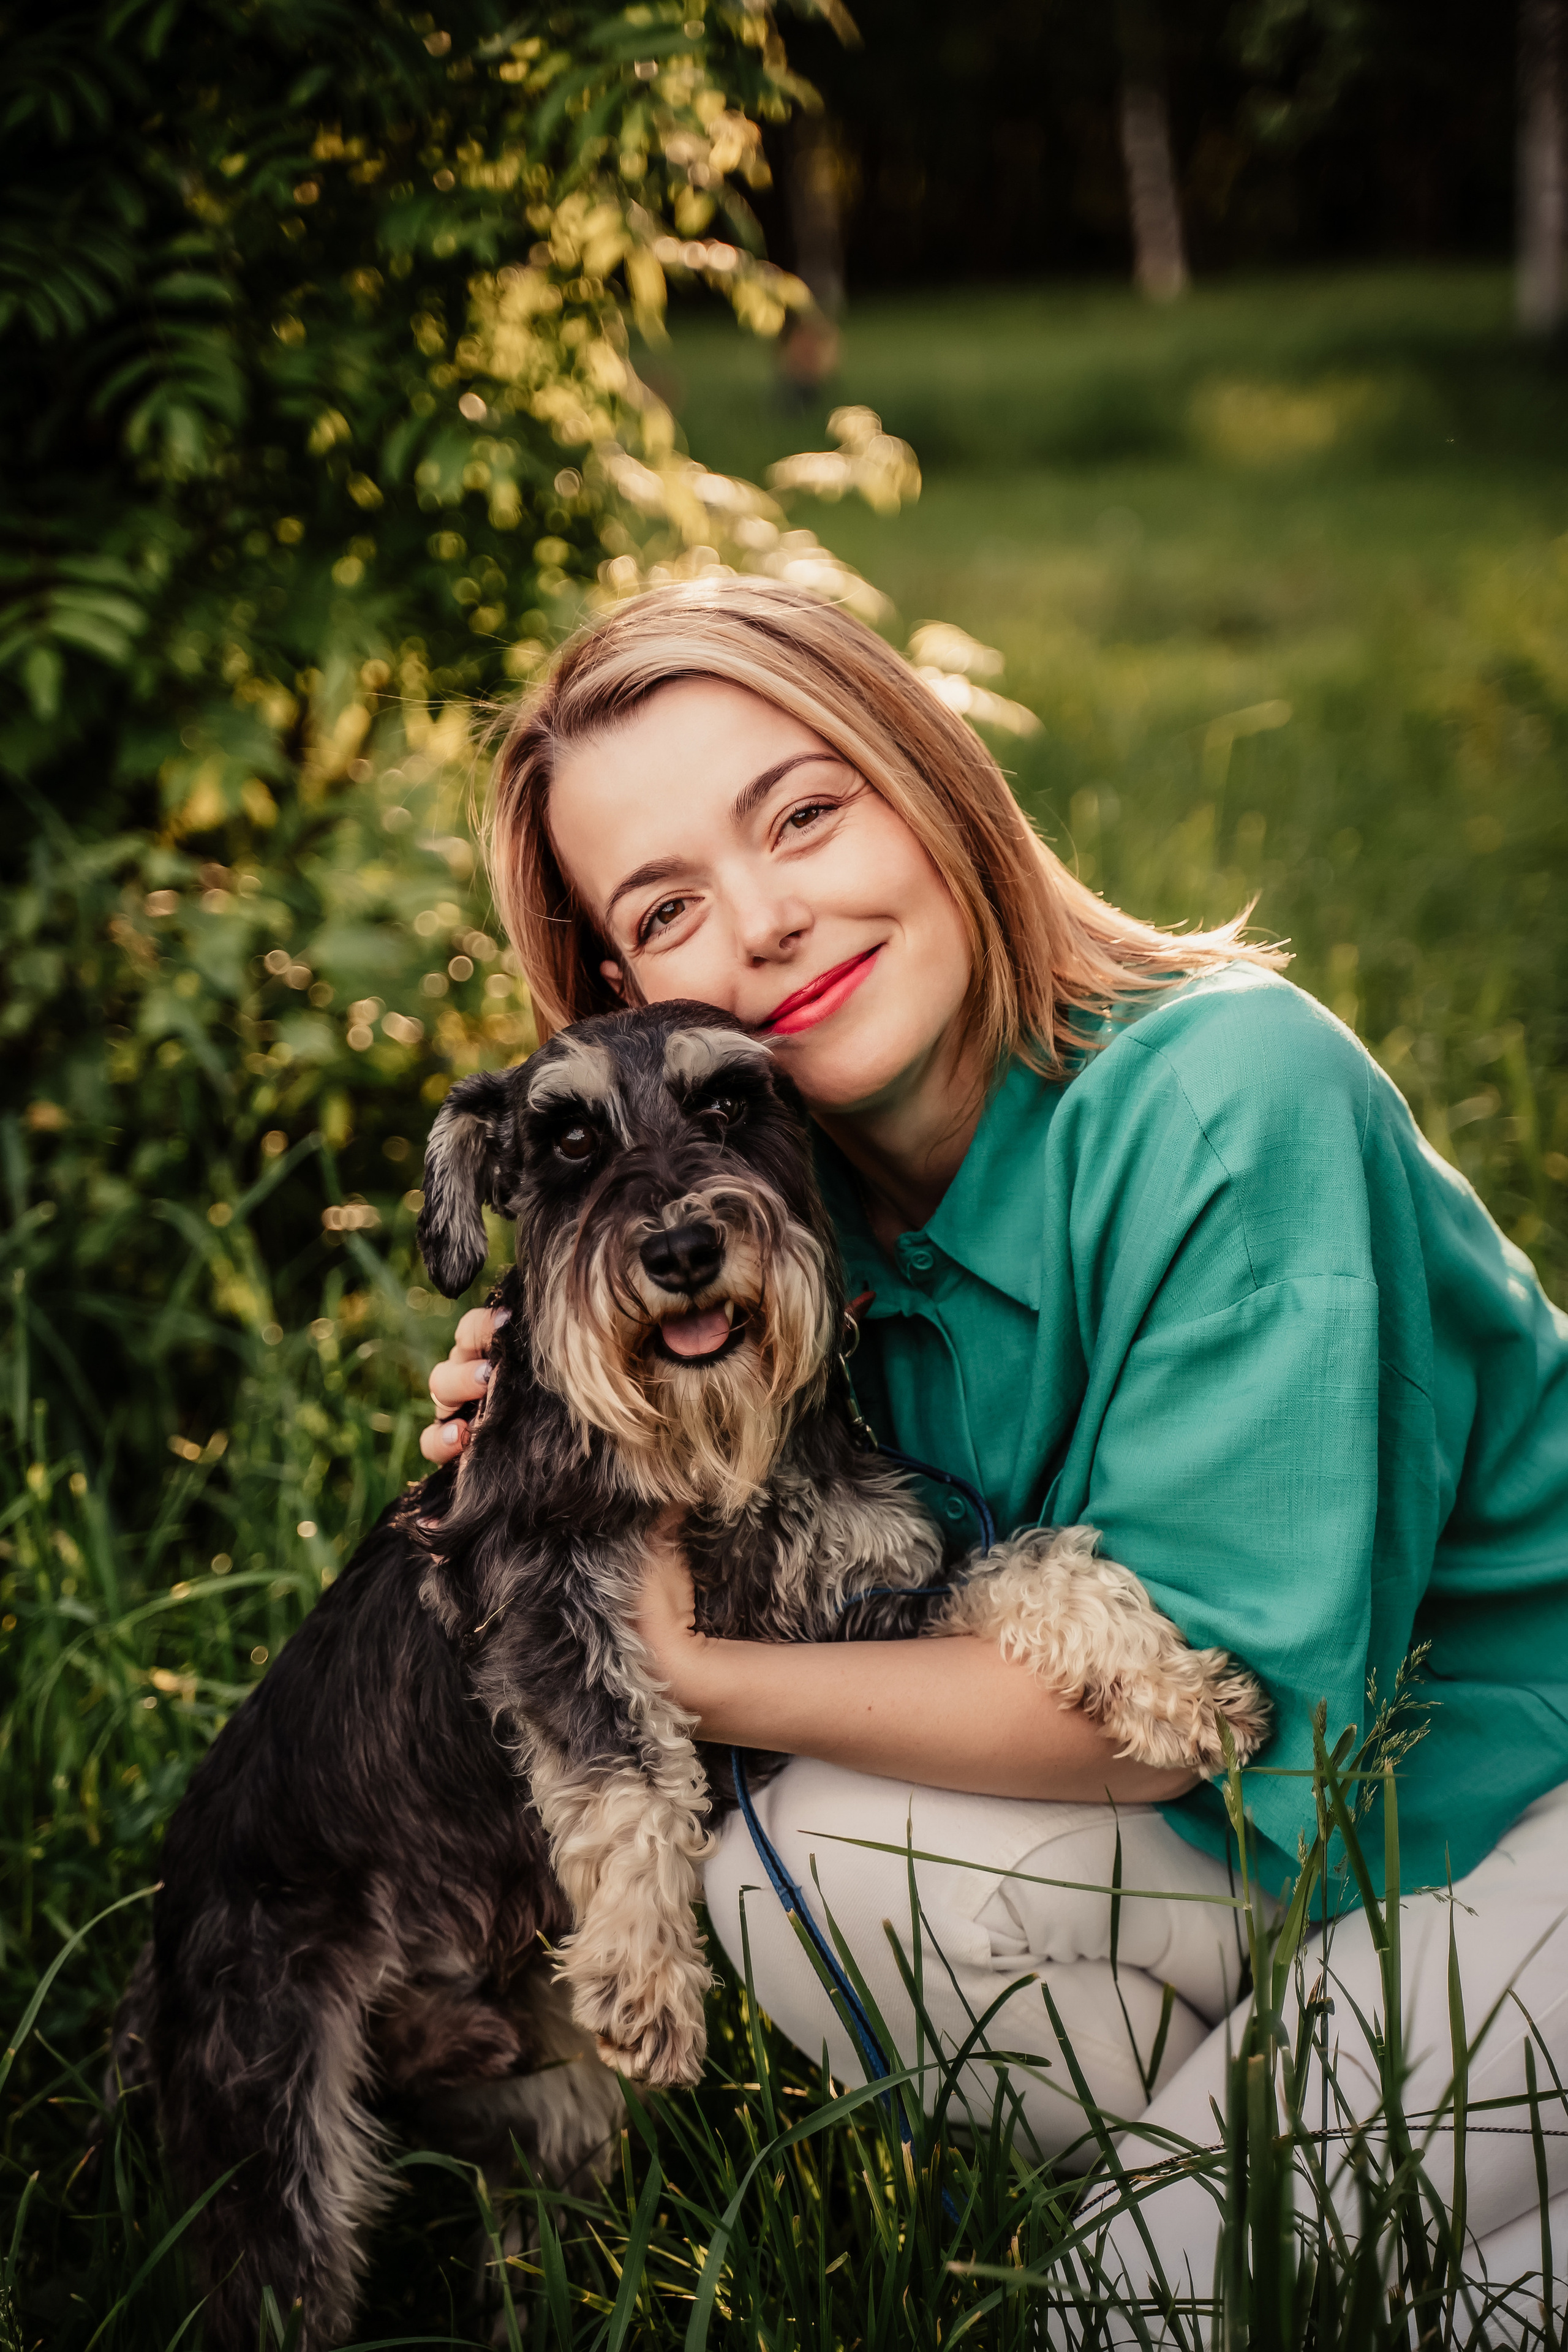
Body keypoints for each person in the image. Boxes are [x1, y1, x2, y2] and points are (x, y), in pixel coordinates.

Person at [420, 576, 1568, 2327]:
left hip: (1506, 1808)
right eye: (669, 909)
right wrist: (564, 1456)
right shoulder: (787, 1245)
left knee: (1140, 2306)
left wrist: (679, 1667)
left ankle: (1277, 2238)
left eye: (803, 813)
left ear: (927, 777)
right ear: (626, 992)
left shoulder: (1231, 1099)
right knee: (808, 1888)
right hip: (1286, 1861)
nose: (769, 923)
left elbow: (1202, 1695)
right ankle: (1339, 2195)